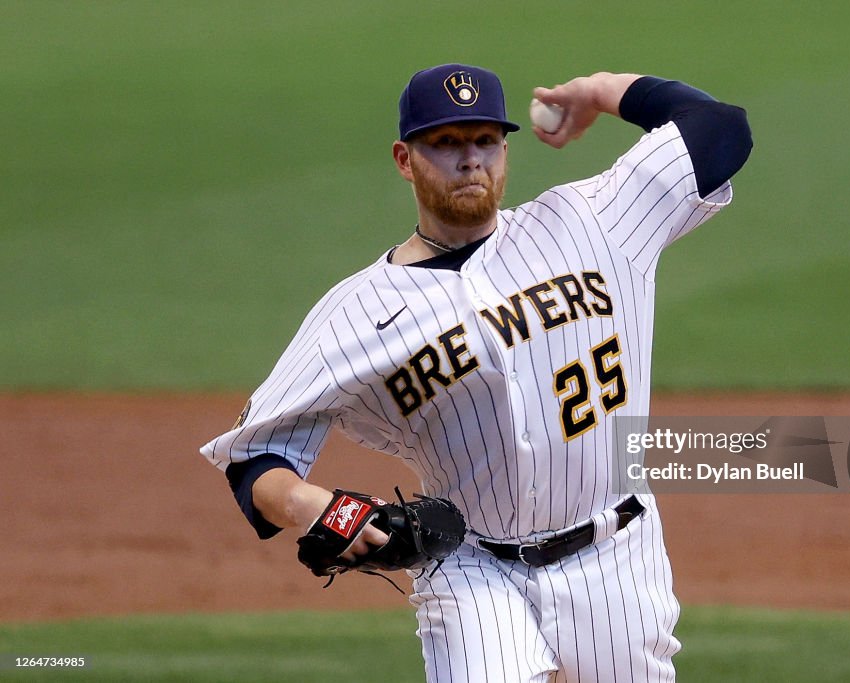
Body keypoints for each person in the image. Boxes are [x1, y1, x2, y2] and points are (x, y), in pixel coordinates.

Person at [201, 63, 751, 682]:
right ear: (404, 160)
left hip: (617, 557)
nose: (470, 160)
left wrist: (600, 91)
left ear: (505, 148)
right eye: (446, 142)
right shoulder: (354, 313)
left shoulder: (592, 221)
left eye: (485, 139)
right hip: (469, 568)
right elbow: (256, 458)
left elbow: (720, 129)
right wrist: (314, 507)